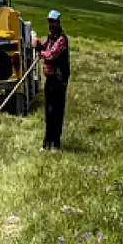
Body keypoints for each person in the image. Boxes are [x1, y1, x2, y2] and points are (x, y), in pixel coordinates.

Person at [35, 10, 70, 150]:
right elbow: (44, 46)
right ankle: (47, 142)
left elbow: (51, 56)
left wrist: (40, 53)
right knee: (48, 112)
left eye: (53, 21)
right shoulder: (50, 37)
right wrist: (37, 44)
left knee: (56, 112)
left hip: (59, 80)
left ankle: (55, 143)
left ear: (58, 22)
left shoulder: (62, 39)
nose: (51, 24)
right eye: (49, 21)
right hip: (50, 79)